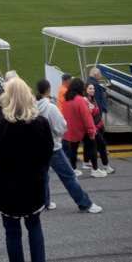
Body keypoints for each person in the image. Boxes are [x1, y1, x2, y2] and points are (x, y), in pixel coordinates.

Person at [0, 77, 54, 262]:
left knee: (12, 232)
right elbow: (48, 153)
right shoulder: (40, 124)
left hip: (6, 187)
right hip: (33, 184)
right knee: (34, 226)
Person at [35, 79, 103, 214]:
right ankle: (85, 203)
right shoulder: (50, 107)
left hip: (39, 147)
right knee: (69, 176)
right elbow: (61, 127)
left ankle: (44, 202)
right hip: (53, 147)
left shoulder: (34, 107)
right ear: (48, 90)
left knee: (43, 176)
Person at [62, 78, 106, 178]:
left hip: (70, 129)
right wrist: (92, 130)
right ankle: (95, 170)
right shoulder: (80, 100)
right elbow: (86, 117)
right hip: (83, 129)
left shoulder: (66, 99)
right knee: (92, 147)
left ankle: (73, 169)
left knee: (73, 150)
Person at [85, 83, 114, 174]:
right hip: (93, 128)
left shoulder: (93, 99)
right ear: (85, 90)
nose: (92, 90)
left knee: (94, 147)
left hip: (98, 126)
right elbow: (89, 115)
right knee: (101, 146)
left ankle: (88, 164)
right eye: (90, 88)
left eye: (93, 88)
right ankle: (104, 167)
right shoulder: (86, 100)